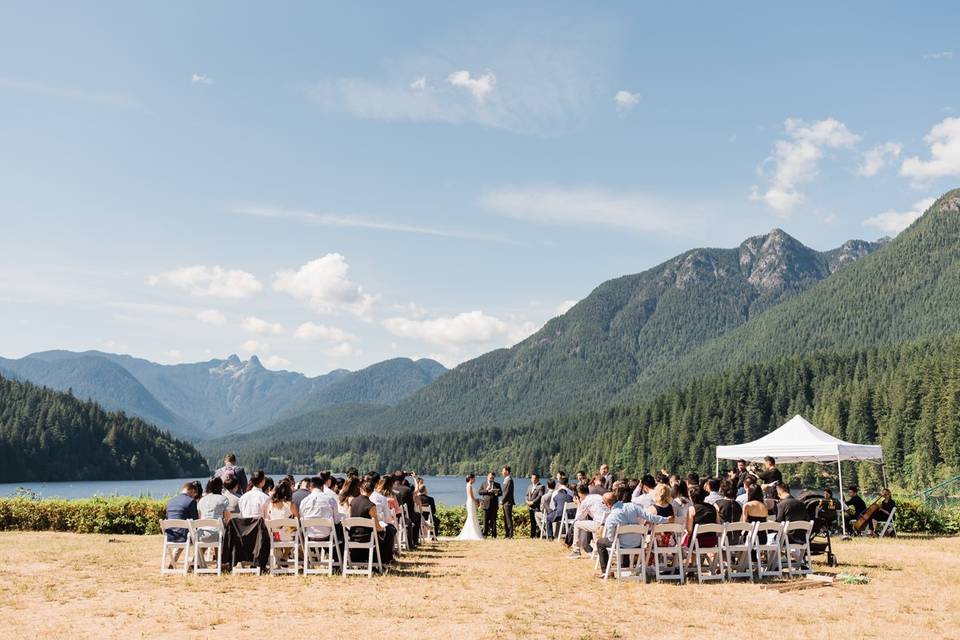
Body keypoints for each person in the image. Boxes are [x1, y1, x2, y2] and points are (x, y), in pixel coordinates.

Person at [595, 487, 670, 578]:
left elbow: (610, 538)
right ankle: (625, 565)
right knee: (623, 538)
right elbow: (649, 517)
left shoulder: (611, 517)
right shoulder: (633, 506)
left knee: (600, 542)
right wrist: (665, 520)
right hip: (638, 543)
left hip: (622, 544)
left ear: (607, 504)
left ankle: (606, 571)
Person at [567, 483, 608, 558]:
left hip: (599, 525)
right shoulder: (599, 496)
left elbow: (578, 518)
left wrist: (579, 504)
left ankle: (576, 550)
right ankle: (596, 549)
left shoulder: (586, 501)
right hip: (607, 523)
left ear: (579, 493)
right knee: (593, 522)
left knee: (577, 524)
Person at [347, 480, 384, 563]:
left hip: (353, 535)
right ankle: (380, 561)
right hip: (366, 537)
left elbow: (349, 517)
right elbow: (377, 527)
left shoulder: (352, 502)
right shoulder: (371, 505)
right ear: (372, 491)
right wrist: (382, 529)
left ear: (360, 489)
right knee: (385, 534)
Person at [196, 477, 231, 542]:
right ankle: (220, 552)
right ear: (220, 487)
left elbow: (200, 517)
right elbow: (227, 519)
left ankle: (200, 552)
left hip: (201, 534)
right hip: (217, 534)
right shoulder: (223, 499)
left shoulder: (201, 500)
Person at [457, 474, 483, 541]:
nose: (475, 480)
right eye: (474, 478)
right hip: (471, 502)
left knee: (472, 517)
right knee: (471, 517)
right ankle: (472, 534)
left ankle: (471, 533)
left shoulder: (469, 485)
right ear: (471, 478)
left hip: (471, 502)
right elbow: (471, 496)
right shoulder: (469, 485)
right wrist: (477, 502)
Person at [478, 472, 502, 538]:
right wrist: (487, 490)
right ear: (487, 477)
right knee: (485, 521)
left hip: (494, 505)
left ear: (494, 478)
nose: (491, 479)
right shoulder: (484, 483)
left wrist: (496, 492)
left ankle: (494, 535)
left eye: (493, 478)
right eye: (490, 477)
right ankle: (485, 535)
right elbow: (479, 492)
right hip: (486, 505)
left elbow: (500, 493)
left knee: (493, 521)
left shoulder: (497, 484)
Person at [525, 474, 545, 538]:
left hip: (537, 507)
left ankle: (540, 535)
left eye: (534, 478)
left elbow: (540, 496)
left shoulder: (541, 486)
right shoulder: (529, 486)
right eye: (532, 478)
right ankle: (532, 535)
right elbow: (526, 495)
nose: (533, 480)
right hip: (530, 507)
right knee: (532, 522)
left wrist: (532, 502)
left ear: (538, 479)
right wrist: (527, 501)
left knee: (538, 522)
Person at [501, 466, 515, 538]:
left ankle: (510, 534)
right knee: (506, 518)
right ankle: (507, 534)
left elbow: (507, 492)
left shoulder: (509, 480)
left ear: (507, 471)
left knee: (508, 518)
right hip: (506, 502)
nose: (502, 472)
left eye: (503, 471)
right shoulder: (506, 479)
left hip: (508, 502)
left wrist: (502, 501)